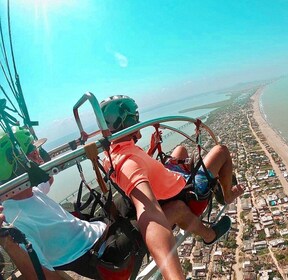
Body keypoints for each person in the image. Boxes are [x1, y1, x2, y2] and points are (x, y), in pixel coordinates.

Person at [100, 95, 244, 279]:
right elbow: (149, 210)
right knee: (221, 151)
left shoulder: (112, 154)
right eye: (135, 118)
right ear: (128, 122)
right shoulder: (129, 162)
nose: (138, 121)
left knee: (181, 150)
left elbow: (138, 167)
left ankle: (210, 177)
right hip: (183, 193)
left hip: (167, 183)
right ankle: (226, 196)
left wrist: (151, 150)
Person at [0, 127, 142, 280]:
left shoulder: (29, 191)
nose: (38, 155)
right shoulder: (14, 222)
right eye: (34, 152)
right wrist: (5, 239)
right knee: (152, 210)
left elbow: (48, 178)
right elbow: (41, 277)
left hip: (96, 231)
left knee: (130, 197)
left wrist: (77, 142)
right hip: (101, 254)